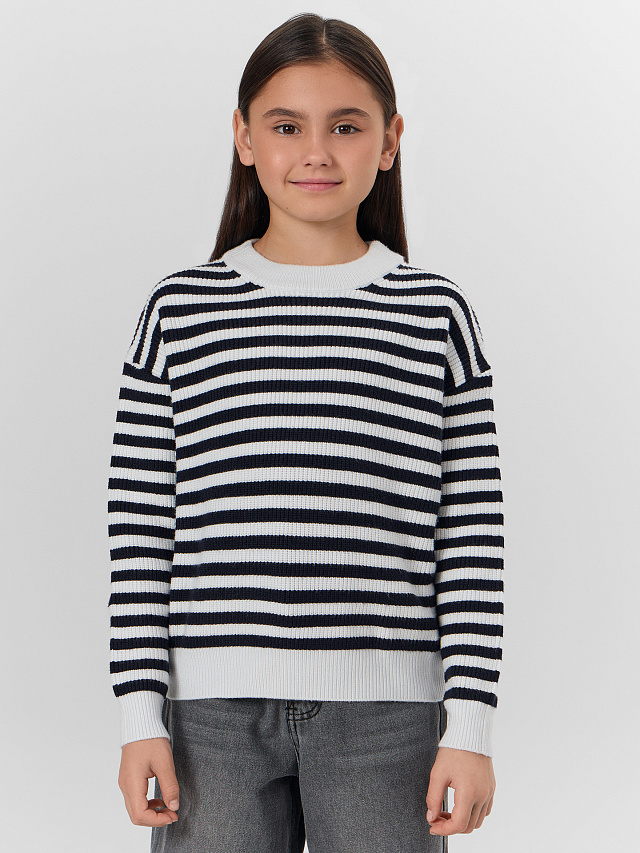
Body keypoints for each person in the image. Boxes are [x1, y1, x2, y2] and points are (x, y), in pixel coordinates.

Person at [108, 12, 504, 852]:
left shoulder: (434, 313)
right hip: (210, 720)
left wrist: (469, 725)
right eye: (287, 126)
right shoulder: (180, 312)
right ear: (244, 138)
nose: (316, 152)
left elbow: (471, 534)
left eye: (346, 127)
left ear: (389, 141)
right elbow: (140, 527)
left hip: (389, 718)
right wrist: (140, 713)